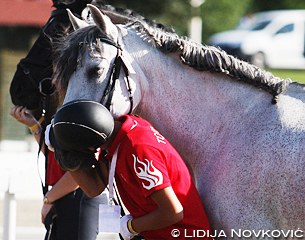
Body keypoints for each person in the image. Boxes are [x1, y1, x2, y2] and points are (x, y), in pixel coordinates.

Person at [48, 100, 212, 240]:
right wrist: (60, 144)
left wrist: (131, 226)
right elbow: (94, 188)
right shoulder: (118, 135)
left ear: (90, 147)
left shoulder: (138, 149)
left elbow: (173, 213)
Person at [10, 105, 107, 240]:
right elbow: (55, 156)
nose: (54, 82)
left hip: (79, 198)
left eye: (57, 81)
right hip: (62, 196)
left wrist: (48, 199)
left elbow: (81, 170)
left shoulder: (81, 110)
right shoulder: (60, 108)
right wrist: (34, 126)